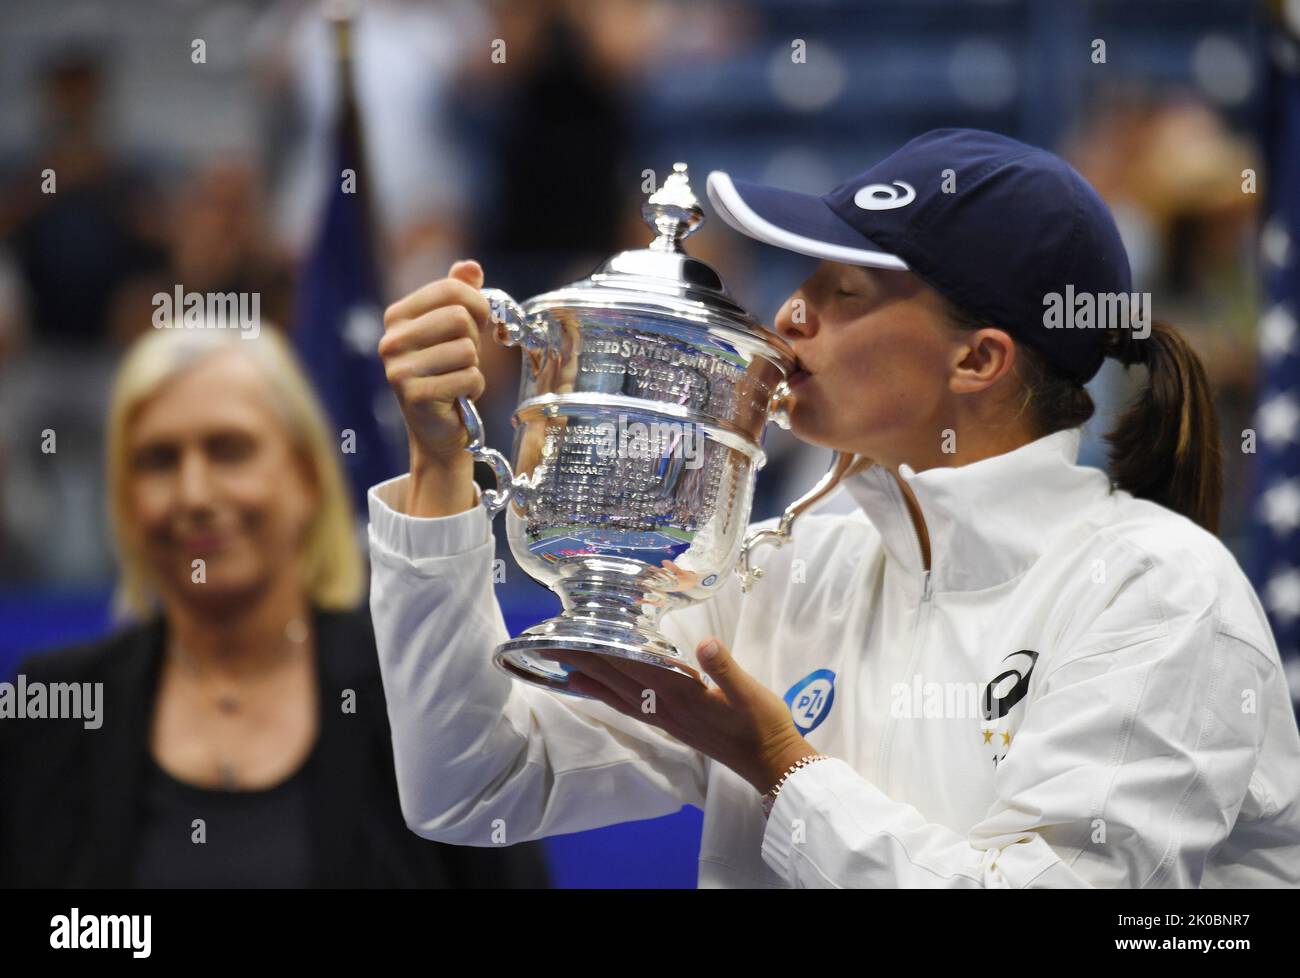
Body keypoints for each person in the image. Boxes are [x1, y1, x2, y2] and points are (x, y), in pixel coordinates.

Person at [365, 128, 1300, 888]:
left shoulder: (1161, 591)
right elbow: (474, 785)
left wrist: (782, 769)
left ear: (979, 360)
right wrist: (440, 475)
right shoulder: (788, 563)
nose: (790, 318)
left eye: (842, 291)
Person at [0, 325, 549, 888]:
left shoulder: (420, 692)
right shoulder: (51, 708)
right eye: (159, 461)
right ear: (124, 497)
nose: (194, 494)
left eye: (229, 450)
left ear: (307, 477)